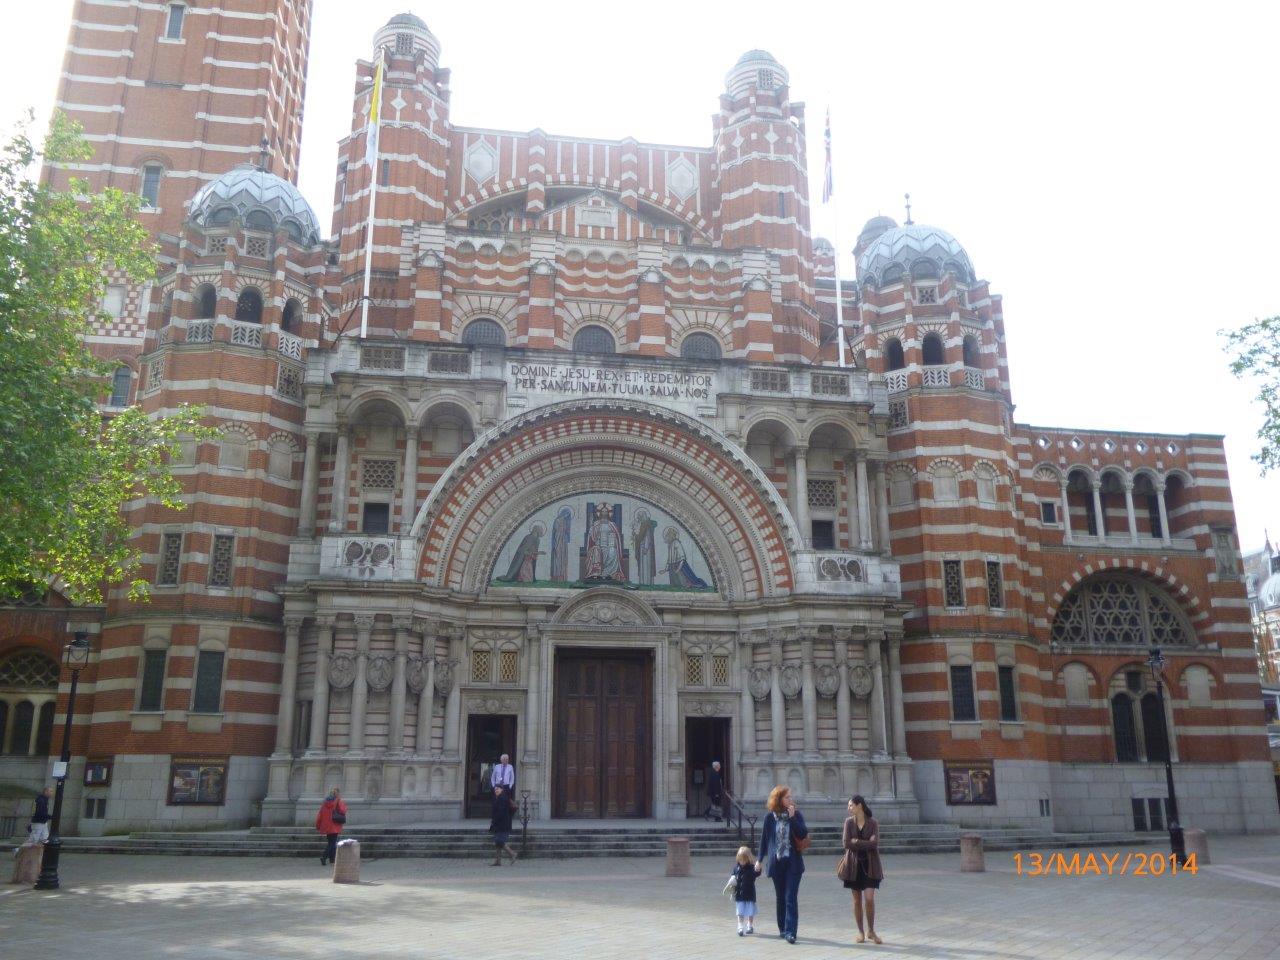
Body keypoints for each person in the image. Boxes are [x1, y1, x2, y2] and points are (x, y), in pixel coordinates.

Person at [755, 784, 808, 944]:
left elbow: (803, 833)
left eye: (791, 796)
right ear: (778, 799)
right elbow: (764, 840)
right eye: (787, 797)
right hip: (776, 863)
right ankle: (783, 929)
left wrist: (792, 818)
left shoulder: (796, 815)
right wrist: (759, 860)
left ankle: (791, 932)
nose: (791, 799)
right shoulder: (769, 818)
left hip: (793, 863)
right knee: (780, 898)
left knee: (790, 897)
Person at [842, 794, 884, 945]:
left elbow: (875, 844)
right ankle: (860, 931)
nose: (849, 808)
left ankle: (871, 931)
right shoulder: (848, 822)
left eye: (851, 805)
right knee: (857, 900)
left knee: (870, 899)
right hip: (853, 866)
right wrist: (866, 842)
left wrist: (857, 841)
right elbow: (846, 843)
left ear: (859, 805)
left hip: (871, 865)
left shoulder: (873, 823)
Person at [726, 845, 759, 936]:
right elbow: (733, 877)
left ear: (748, 859)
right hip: (739, 894)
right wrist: (731, 882)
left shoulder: (751, 868)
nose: (742, 862)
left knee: (750, 911)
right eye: (740, 860)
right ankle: (740, 926)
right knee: (739, 911)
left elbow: (757, 873)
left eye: (744, 860)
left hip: (749, 894)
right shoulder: (736, 868)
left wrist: (758, 868)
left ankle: (750, 925)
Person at [315, 786, 347, 866]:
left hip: (326, 826)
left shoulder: (325, 803)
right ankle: (324, 857)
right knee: (332, 843)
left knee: (331, 842)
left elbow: (320, 815)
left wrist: (318, 825)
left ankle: (332, 859)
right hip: (334, 825)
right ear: (337, 794)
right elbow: (343, 811)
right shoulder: (338, 801)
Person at [489, 784, 518, 866]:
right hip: (500, 823)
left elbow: (501, 812)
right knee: (497, 843)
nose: (496, 790)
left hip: (503, 823)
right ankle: (498, 861)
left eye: (498, 789)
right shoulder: (498, 798)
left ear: (502, 790)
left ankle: (512, 853)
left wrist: (494, 821)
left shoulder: (502, 798)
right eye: (495, 789)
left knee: (499, 841)